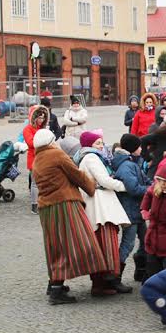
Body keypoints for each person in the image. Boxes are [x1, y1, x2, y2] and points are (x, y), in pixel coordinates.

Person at [32, 127, 109, 303]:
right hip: (64, 205)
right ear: (51, 141)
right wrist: (91, 186)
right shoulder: (56, 155)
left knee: (55, 246)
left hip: (46, 208)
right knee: (82, 243)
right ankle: (63, 291)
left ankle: (55, 284)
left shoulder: (38, 159)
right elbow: (76, 175)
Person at [76, 130, 131, 294]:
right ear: (89, 145)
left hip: (98, 204)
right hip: (100, 206)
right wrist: (125, 186)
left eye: (101, 142)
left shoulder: (89, 157)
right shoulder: (91, 158)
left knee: (101, 243)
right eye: (97, 143)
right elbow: (104, 180)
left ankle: (102, 282)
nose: (101, 146)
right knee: (105, 242)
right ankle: (105, 282)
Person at [111, 134, 151, 282]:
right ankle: (115, 276)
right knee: (128, 244)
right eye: (139, 146)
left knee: (146, 240)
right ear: (133, 149)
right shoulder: (127, 166)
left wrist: (153, 185)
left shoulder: (132, 162)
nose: (141, 149)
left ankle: (142, 270)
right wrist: (151, 189)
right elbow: (133, 188)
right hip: (130, 210)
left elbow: (145, 180)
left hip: (136, 210)